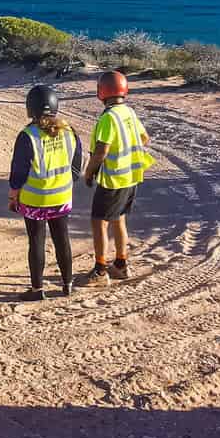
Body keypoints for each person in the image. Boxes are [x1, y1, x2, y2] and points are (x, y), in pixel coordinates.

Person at [9, 83, 83, 300]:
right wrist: (64, 184)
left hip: (35, 199)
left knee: (36, 241)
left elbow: (18, 174)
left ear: (30, 108)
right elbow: (76, 168)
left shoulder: (28, 135)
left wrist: (13, 196)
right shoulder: (69, 132)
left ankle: (37, 290)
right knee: (62, 239)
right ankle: (67, 285)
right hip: (61, 197)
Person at [83, 70, 154, 285]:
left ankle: (100, 269)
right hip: (131, 177)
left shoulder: (108, 117)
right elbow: (144, 138)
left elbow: (101, 151)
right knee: (119, 218)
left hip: (113, 179)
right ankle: (121, 265)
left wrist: (89, 173)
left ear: (101, 92)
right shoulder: (129, 112)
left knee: (99, 222)